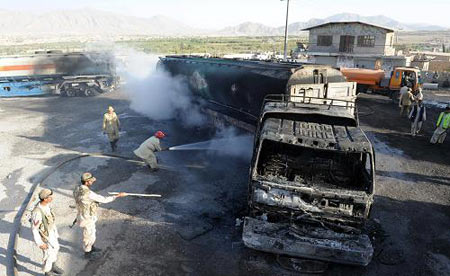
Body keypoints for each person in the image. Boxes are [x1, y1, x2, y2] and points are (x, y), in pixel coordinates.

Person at [73, 173, 127, 258]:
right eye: (91, 181)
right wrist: (117, 196)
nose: (92, 182)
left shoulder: (77, 188)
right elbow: (104, 199)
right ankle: (87, 252)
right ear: (87, 182)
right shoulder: (89, 193)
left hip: (82, 214)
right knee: (88, 235)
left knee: (92, 233)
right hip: (87, 217)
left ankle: (91, 247)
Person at [31, 189, 64, 276]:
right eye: (50, 197)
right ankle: (47, 272)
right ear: (45, 199)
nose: (52, 198)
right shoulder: (37, 212)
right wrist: (40, 243)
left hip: (51, 233)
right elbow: (34, 229)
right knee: (48, 254)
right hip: (45, 237)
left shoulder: (47, 206)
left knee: (56, 248)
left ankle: (53, 266)